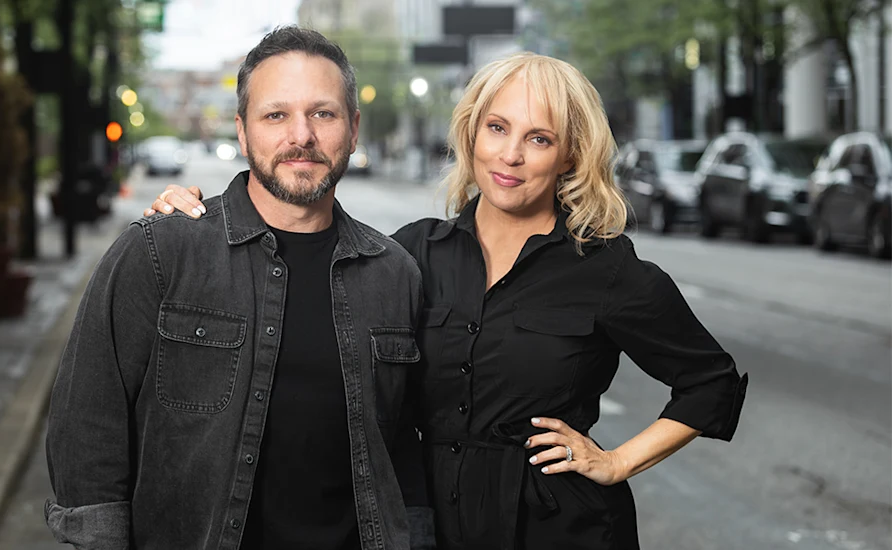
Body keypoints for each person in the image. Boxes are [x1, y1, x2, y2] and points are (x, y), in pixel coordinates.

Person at [148, 52, 749, 549]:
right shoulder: (409, 255)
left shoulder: (607, 269)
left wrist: (616, 462)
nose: (510, 155)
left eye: (538, 138)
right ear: (471, 133)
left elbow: (711, 383)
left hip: (560, 529)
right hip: (426, 525)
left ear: (569, 156)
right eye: (497, 128)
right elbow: (295, 280)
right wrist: (197, 221)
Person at [45, 27, 434, 550]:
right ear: (243, 131)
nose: (302, 136)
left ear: (354, 127)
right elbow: (88, 430)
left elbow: (404, 451)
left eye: (323, 113)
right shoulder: (161, 252)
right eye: (276, 115)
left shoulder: (395, 274)